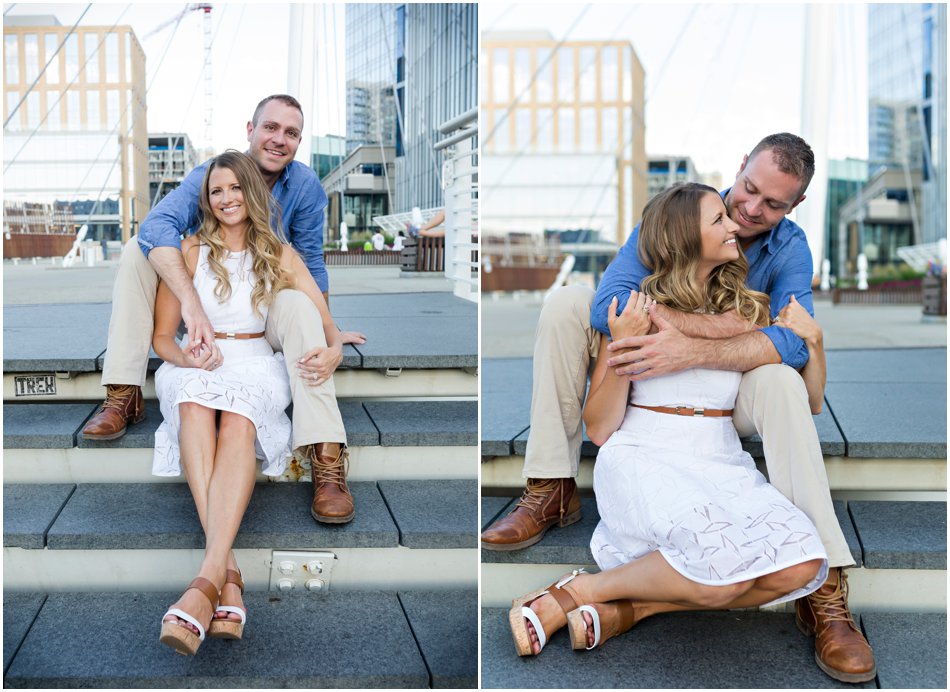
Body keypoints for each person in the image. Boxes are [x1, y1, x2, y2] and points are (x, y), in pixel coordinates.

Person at [483, 134, 875, 682]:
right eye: (748, 191)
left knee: (783, 384)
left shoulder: (788, 248)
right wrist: (664, 329)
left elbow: (792, 344)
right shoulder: (679, 214)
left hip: (728, 394)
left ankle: (824, 588)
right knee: (566, 302)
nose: (749, 212)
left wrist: (700, 342)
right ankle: (552, 484)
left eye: (773, 205)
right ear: (739, 167)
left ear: (795, 206)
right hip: (649, 411)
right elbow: (608, 308)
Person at [82, 94, 362, 524]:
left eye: (290, 133)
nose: (278, 139)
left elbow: (309, 260)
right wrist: (190, 303)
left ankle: (325, 455)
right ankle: (124, 390)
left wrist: (331, 331)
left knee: (298, 303)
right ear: (250, 130)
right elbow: (157, 227)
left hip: (264, 307)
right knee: (139, 252)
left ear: (298, 141)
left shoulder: (304, 185)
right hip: (205, 303)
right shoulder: (209, 175)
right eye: (270, 127)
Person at [155, 150, 347, 656]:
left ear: (252, 192)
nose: (226, 199)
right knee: (192, 405)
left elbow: (325, 322)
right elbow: (161, 339)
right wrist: (188, 358)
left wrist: (334, 350)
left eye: (235, 188)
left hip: (257, 359)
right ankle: (227, 575)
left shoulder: (279, 252)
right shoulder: (191, 249)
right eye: (216, 191)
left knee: (239, 419)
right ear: (207, 198)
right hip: (200, 359)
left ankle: (205, 583)